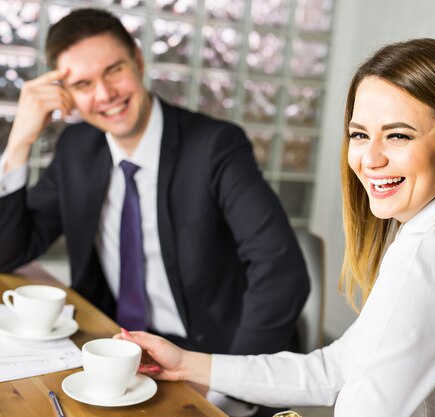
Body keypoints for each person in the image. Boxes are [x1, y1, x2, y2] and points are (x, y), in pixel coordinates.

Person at [116, 38, 435, 417]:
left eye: (397, 136)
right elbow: (335, 370)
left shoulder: (429, 255)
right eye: (359, 134)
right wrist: (186, 363)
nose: (369, 159)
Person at [0, 8, 309, 416]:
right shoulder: (77, 148)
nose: (105, 93)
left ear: (139, 62)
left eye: (114, 70)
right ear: (66, 94)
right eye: (83, 84)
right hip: (118, 355)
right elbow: (9, 251)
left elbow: (281, 270)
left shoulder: (216, 146)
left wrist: (224, 386)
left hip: (212, 356)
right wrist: (19, 140)